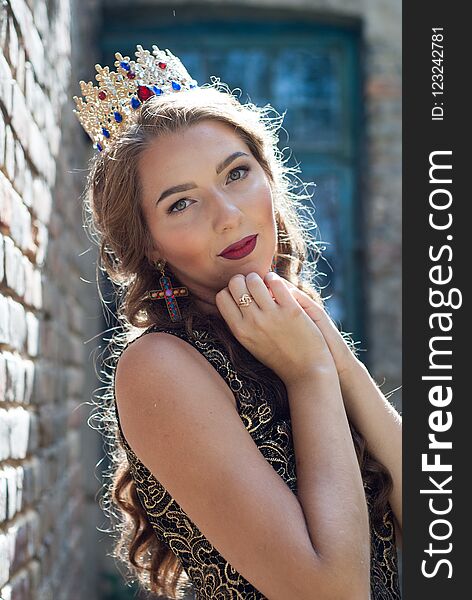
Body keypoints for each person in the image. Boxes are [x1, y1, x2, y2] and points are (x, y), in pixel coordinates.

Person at [74, 45, 402, 600]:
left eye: (237, 173)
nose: (229, 215)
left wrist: (335, 358)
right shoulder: (159, 367)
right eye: (182, 203)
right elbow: (334, 591)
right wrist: (310, 376)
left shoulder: (292, 323)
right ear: (149, 243)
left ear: (269, 178)